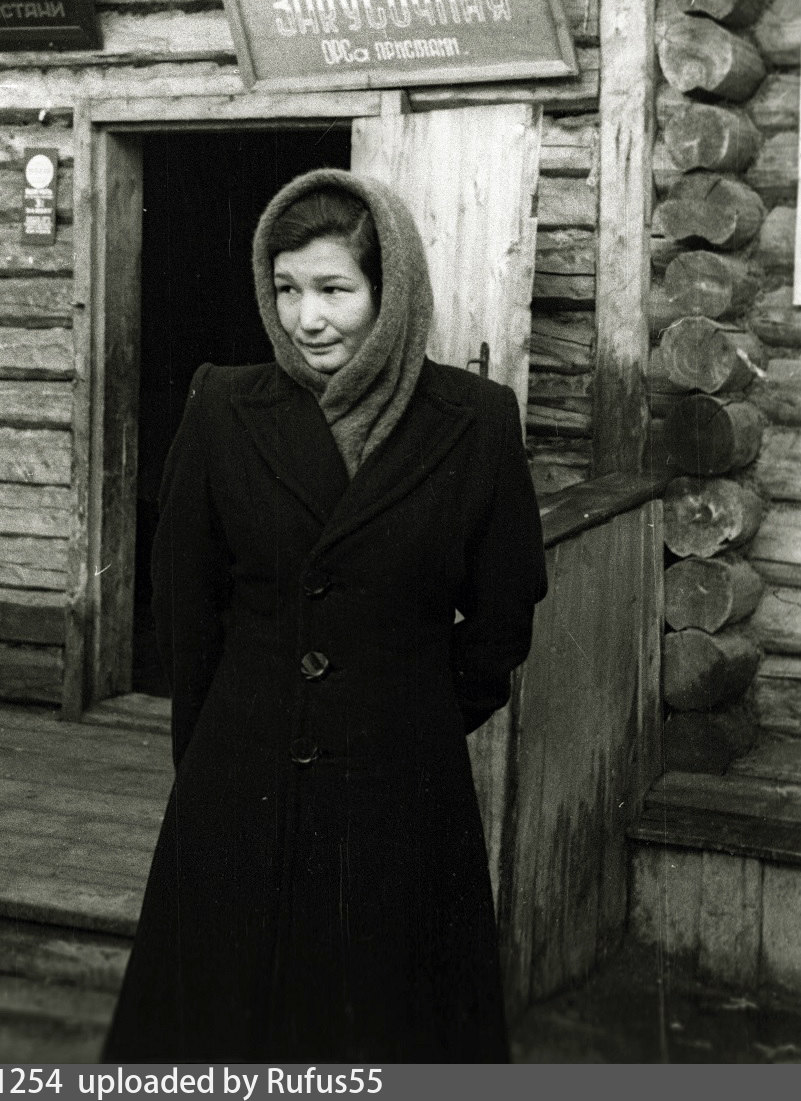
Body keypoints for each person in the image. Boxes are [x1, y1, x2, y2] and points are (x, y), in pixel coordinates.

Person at [103, 167, 547, 1062]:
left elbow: (502, 616)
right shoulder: (225, 406)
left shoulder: (474, 420)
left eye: (335, 289)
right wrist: (216, 754)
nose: (307, 318)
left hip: (401, 789)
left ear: (390, 291)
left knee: (387, 1024)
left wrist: (410, 714)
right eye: (287, 289)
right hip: (242, 775)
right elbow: (185, 608)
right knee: (223, 1031)